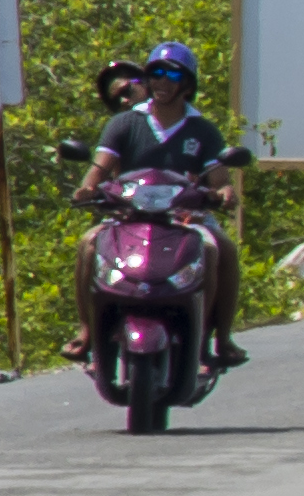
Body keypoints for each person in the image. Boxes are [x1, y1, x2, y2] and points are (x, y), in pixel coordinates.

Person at [77, 40, 248, 370]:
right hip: (128, 216)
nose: (162, 82)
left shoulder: (202, 130)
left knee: (219, 249)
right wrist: (87, 188)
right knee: (88, 244)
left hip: (186, 218)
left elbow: (220, 179)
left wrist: (224, 192)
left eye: (171, 75)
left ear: (186, 83)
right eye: (155, 74)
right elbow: (99, 167)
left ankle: (216, 340)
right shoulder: (125, 123)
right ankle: (88, 336)